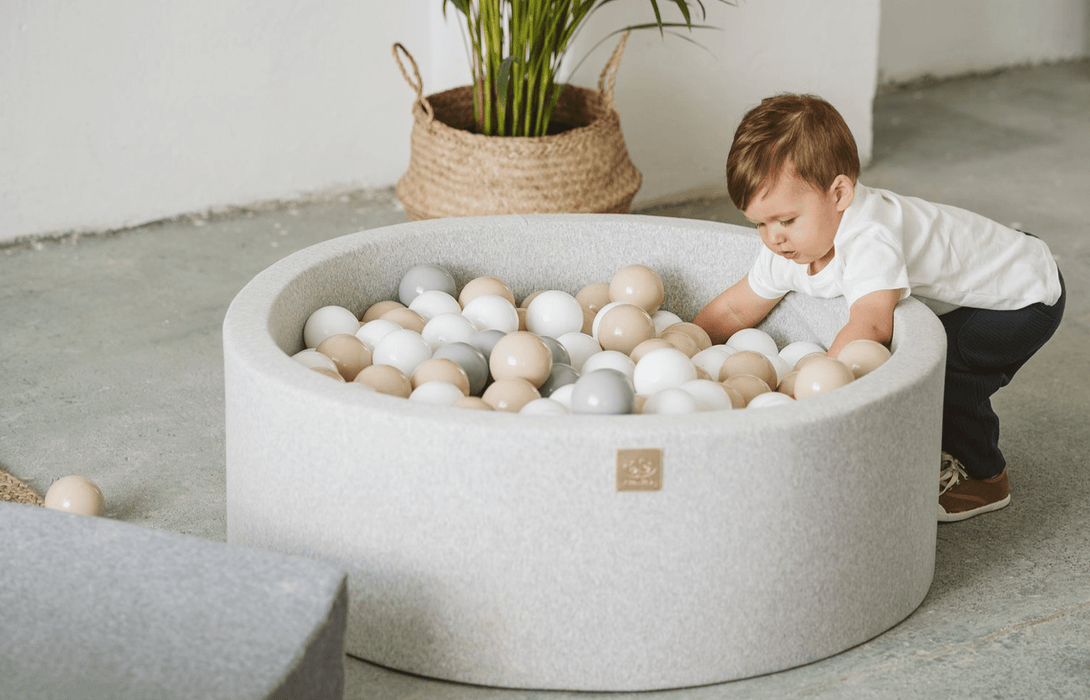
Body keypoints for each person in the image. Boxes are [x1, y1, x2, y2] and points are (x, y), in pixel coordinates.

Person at [693, 93, 1065, 522]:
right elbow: (737, 310)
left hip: (1026, 293)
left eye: (786, 220)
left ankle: (985, 476)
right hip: (994, 279)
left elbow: (869, 327)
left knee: (946, 372)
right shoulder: (789, 248)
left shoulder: (870, 236)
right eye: (759, 223)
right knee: (929, 360)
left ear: (840, 194)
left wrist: (812, 393)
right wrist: (691, 345)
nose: (773, 237)